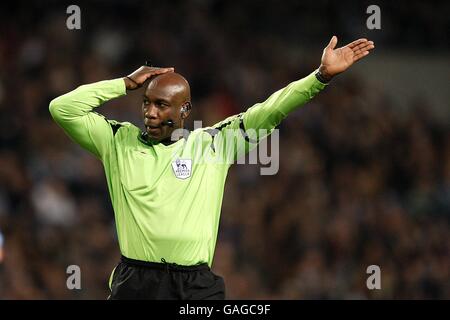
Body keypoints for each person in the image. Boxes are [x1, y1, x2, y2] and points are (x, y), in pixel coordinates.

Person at [49, 36, 374, 299]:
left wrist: (320, 77)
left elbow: (271, 109)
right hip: (135, 283)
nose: (149, 112)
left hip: (195, 286)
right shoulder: (118, 141)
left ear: (185, 109)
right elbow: (62, 108)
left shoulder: (213, 143)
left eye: (161, 105)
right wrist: (124, 83)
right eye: (146, 103)